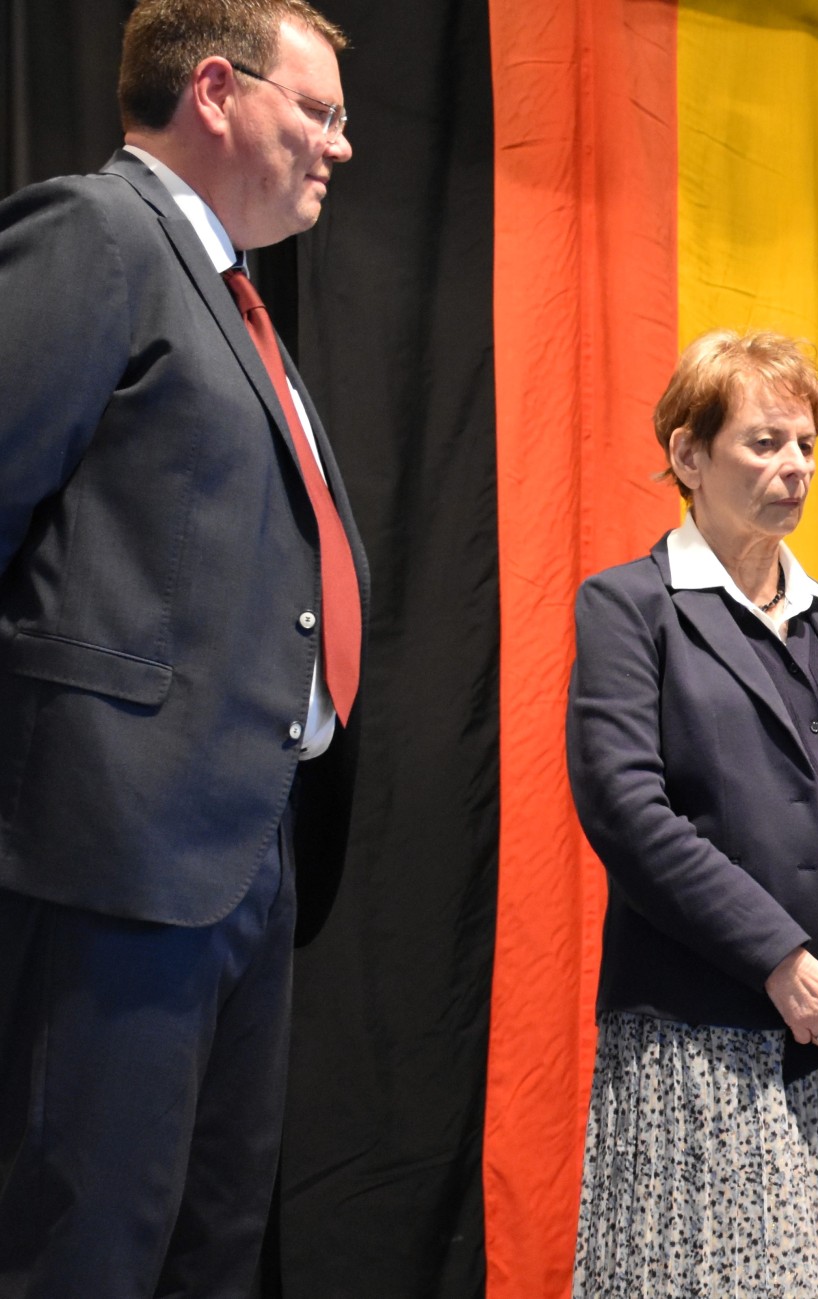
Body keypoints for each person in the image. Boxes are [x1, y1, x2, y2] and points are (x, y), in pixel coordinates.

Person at [0, 1, 362, 1294]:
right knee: (88, 1246)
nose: (340, 145)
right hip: (117, 847)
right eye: (315, 112)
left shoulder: (230, 293)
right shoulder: (98, 233)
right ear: (216, 90)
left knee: (208, 1249)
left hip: (241, 847)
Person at [565, 330, 818, 1297]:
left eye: (807, 444)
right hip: (706, 1043)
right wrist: (780, 961)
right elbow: (626, 809)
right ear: (688, 456)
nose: (795, 468)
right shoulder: (630, 607)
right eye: (765, 442)